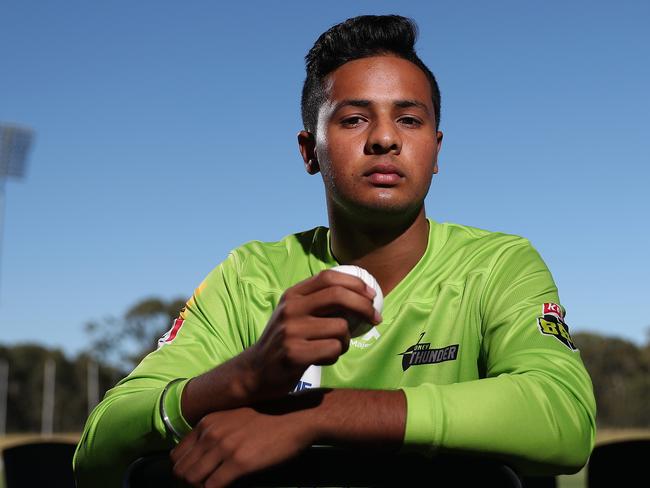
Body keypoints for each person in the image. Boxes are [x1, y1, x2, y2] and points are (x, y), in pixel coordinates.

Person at [74, 14, 596, 487]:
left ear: (436, 150)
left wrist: (316, 415)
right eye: (354, 119)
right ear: (309, 151)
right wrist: (245, 376)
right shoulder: (248, 275)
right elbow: (98, 445)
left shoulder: (498, 264)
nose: (385, 139)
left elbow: (564, 418)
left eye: (409, 120)